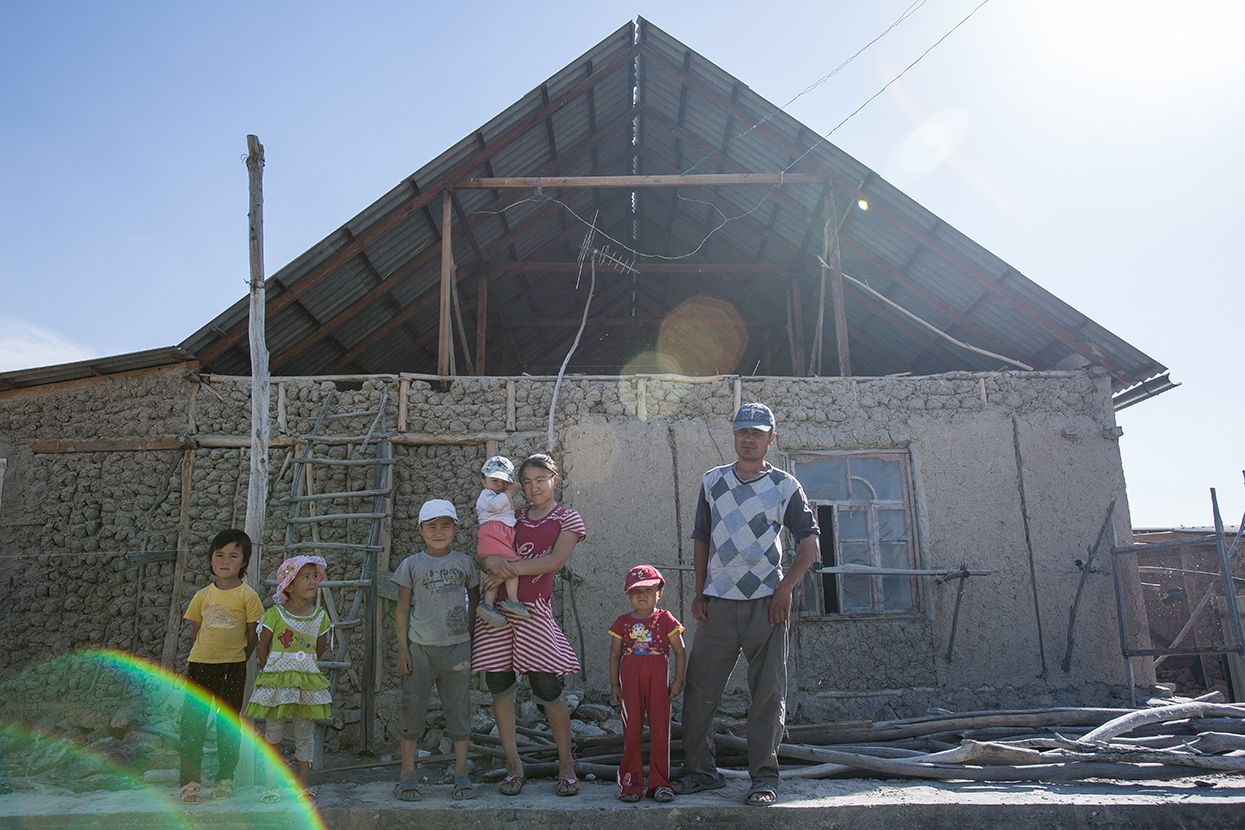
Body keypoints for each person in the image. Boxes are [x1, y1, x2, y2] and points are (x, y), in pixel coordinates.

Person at [676, 403, 820, 807]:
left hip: (766, 605)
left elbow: (809, 545)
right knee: (699, 691)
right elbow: (701, 536)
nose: (748, 439)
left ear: (771, 437)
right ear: (734, 436)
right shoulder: (713, 481)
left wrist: (785, 590)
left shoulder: (785, 486)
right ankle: (700, 773)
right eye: (742, 432)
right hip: (718, 604)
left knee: (768, 694)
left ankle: (764, 779)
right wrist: (700, 591)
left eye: (757, 433)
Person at [472, 453, 585, 797]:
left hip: (533, 611)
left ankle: (566, 764)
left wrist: (507, 570)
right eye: (527, 482)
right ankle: (513, 764)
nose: (534, 488)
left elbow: (554, 561)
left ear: (555, 479)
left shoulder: (567, 518)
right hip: (497, 611)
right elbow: (487, 548)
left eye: (541, 480)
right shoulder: (513, 514)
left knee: (548, 687)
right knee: (500, 686)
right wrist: (491, 565)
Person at [392, 498, 480, 802]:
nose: (439, 532)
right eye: (432, 526)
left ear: (455, 528)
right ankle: (407, 775)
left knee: (459, 711)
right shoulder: (411, 565)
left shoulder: (464, 563)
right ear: (420, 529)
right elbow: (402, 609)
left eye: (445, 525)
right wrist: (403, 649)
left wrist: (470, 640)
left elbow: (474, 603)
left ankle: (461, 774)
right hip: (420, 650)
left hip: (457, 649)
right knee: (412, 711)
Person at [177, 529, 263, 804]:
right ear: (211, 560)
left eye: (233, 556)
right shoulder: (202, 596)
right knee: (193, 724)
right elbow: (197, 631)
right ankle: (190, 782)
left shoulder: (248, 596)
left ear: (244, 561)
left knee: (227, 723)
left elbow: (252, 635)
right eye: (219, 555)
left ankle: (225, 778)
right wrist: (207, 655)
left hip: (233, 667)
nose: (225, 561)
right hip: (200, 666)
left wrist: (239, 658)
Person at [244, 555, 332, 802]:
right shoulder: (275, 614)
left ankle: (303, 786)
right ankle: (271, 785)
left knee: (305, 734)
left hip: (306, 685)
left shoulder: (319, 617)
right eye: (306, 577)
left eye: (315, 576)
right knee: (274, 733)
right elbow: (263, 647)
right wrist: (272, 669)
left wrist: (302, 667)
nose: (313, 581)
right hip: (277, 683)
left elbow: (320, 648)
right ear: (289, 586)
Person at [609, 565, 685, 804]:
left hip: (658, 682)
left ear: (659, 593)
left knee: (660, 730)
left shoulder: (666, 619)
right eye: (636, 591)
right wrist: (614, 685)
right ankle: (630, 783)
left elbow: (680, 651)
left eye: (648, 590)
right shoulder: (622, 623)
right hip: (630, 682)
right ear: (628, 595)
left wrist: (678, 681)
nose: (642, 596)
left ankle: (660, 783)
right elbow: (615, 654)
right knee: (631, 730)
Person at [474, 455, 532, 628]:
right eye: (494, 481)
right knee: (512, 565)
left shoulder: (498, 495)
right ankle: (513, 601)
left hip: (500, 535)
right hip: (493, 534)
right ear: (483, 481)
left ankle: (488, 605)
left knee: (500, 570)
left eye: (504, 482)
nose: (499, 485)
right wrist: (510, 491)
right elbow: (496, 506)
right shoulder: (486, 495)